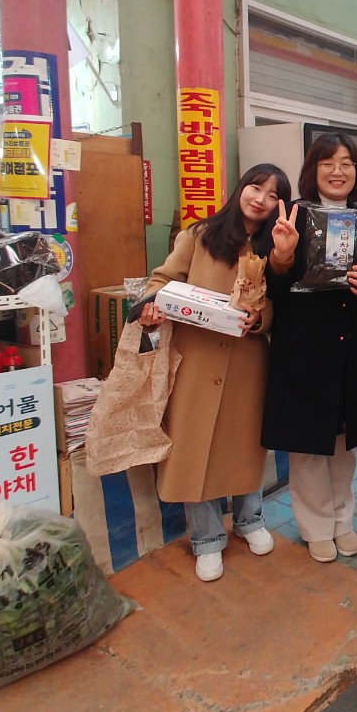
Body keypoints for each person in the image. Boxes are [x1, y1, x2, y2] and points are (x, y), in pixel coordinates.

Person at [139, 163, 289, 582]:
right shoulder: (198, 235)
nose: (261, 199)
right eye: (255, 187)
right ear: (240, 188)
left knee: (244, 443)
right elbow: (162, 279)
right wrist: (153, 304)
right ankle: (206, 538)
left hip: (247, 363)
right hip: (197, 360)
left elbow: (280, 305)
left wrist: (259, 318)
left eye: (273, 195)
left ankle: (250, 520)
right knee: (195, 447)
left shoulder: (274, 248)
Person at [254, 133, 357, 564]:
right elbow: (270, 287)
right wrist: (282, 255)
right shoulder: (289, 216)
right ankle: (314, 527)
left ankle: (343, 520)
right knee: (309, 445)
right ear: (313, 170)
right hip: (303, 345)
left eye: (347, 163)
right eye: (328, 162)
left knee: (344, 443)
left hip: (351, 345)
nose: (337, 170)